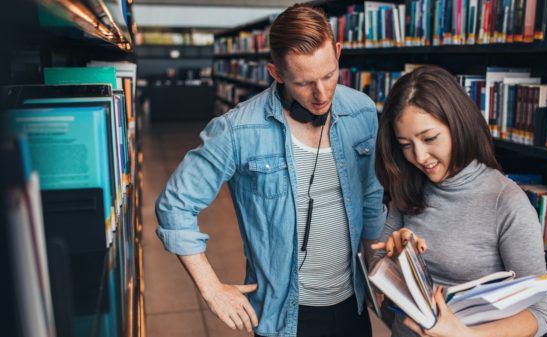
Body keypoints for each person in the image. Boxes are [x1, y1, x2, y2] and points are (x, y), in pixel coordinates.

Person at [155, 4, 386, 337]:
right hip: (284, 317)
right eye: (304, 83)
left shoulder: (362, 111)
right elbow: (174, 206)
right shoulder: (238, 130)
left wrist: (380, 267)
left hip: (353, 304)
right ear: (276, 73)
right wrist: (211, 289)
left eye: (329, 75)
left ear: (337, 53)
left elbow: (370, 197)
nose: (322, 95)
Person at [372, 65, 547, 337]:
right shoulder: (408, 186)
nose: (419, 156)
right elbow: (378, 264)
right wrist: (395, 256)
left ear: (458, 124)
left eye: (429, 138)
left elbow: (538, 314)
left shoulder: (506, 202)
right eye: (406, 144)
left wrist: (465, 335)